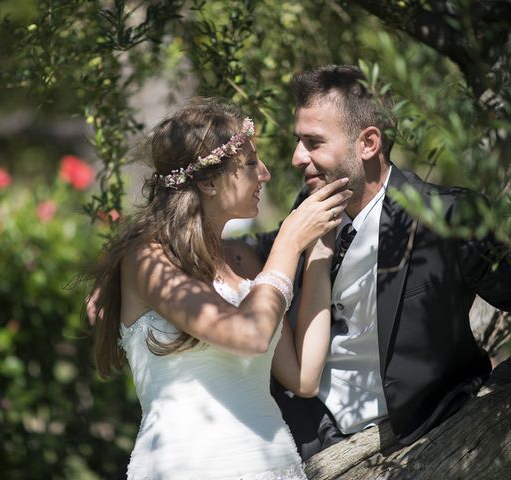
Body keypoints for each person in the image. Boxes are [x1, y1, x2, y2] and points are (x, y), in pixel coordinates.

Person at [245, 64, 511, 460]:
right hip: (306, 434)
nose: (297, 157)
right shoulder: (308, 209)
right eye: (298, 141)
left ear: (368, 143)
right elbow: (255, 249)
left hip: (418, 436)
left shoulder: (449, 218)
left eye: (313, 142)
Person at [85, 97, 352, 479]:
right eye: (249, 165)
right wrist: (289, 242)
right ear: (209, 181)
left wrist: (319, 252)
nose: (264, 174)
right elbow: (250, 334)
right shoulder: (148, 260)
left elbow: (303, 376)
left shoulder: (245, 261)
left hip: (275, 464)